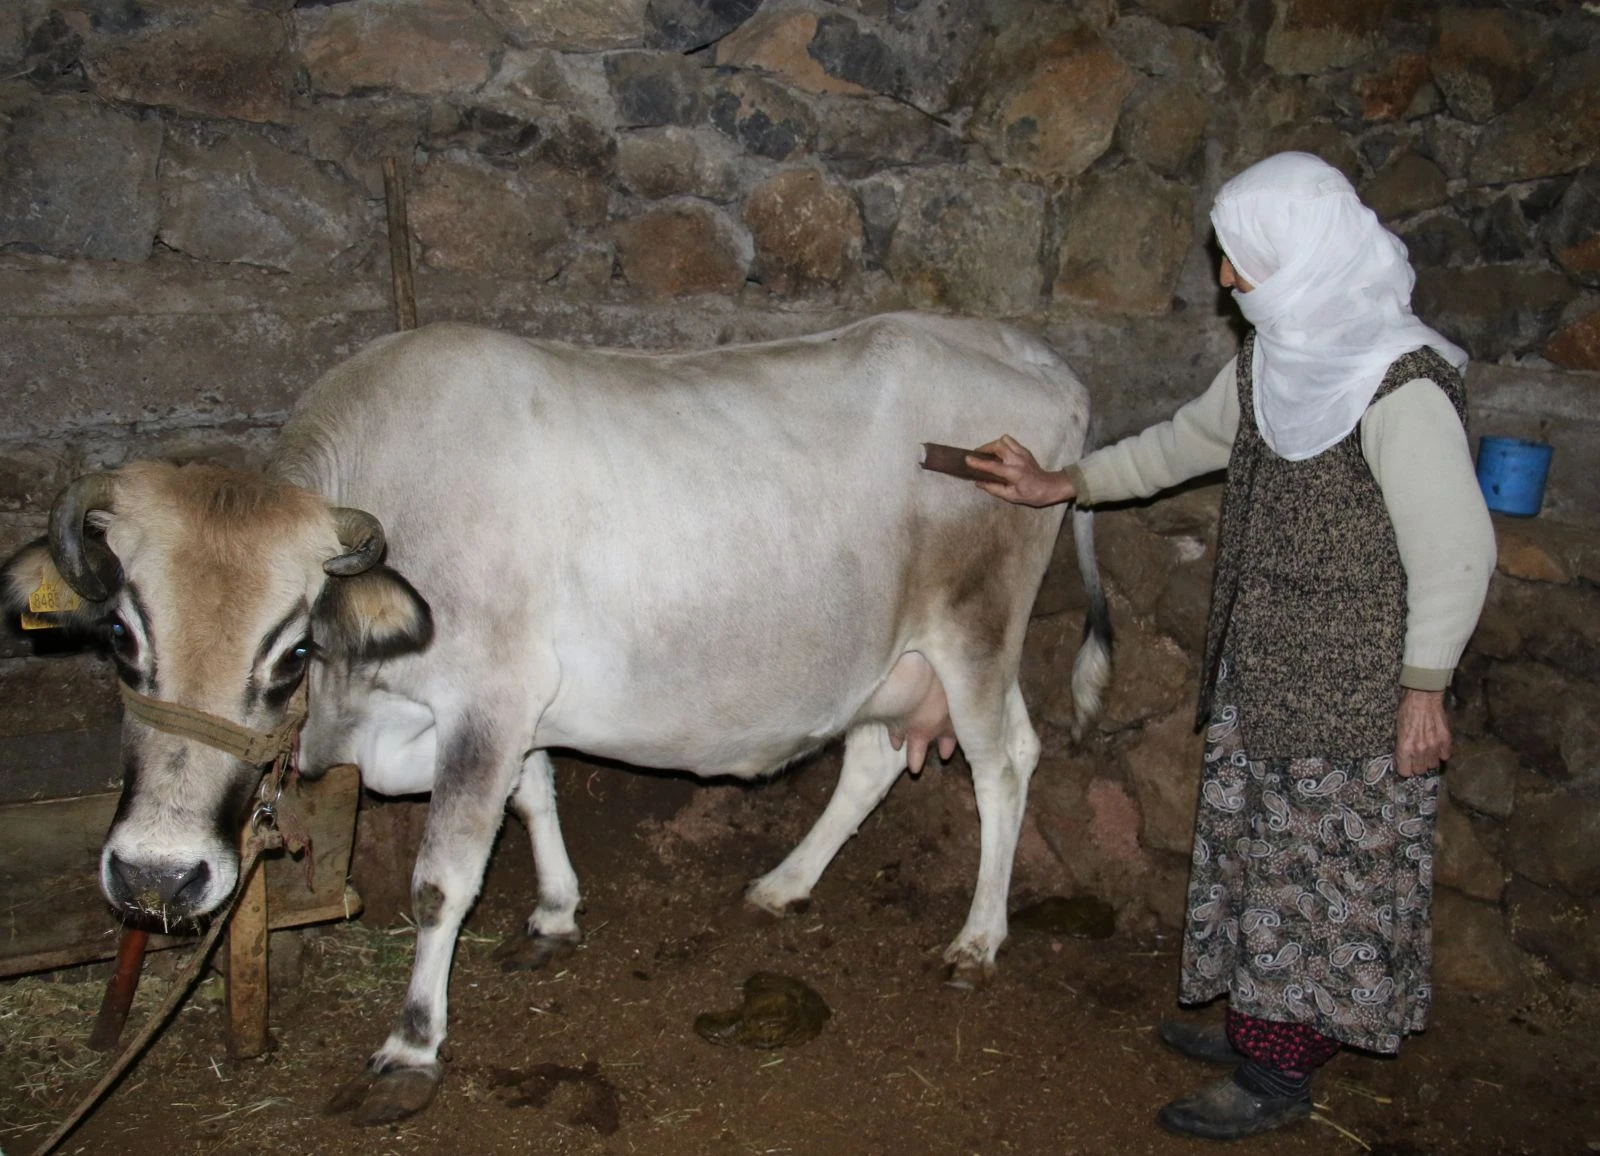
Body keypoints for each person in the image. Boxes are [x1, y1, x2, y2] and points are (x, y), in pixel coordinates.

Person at [966, 151, 1497, 1142]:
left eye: (1240, 261)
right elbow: (1178, 445)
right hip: (1265, 670)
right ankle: (1266, 1023)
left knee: (1320, 877)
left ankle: (1277, 1076)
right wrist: (1061, 483)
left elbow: (1456, 549)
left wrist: (1423, 690)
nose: (1224, 279)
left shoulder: (1397, 382)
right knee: (1265, 858)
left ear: (1300, 259)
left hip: (1352, 691)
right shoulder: (1275, 360)